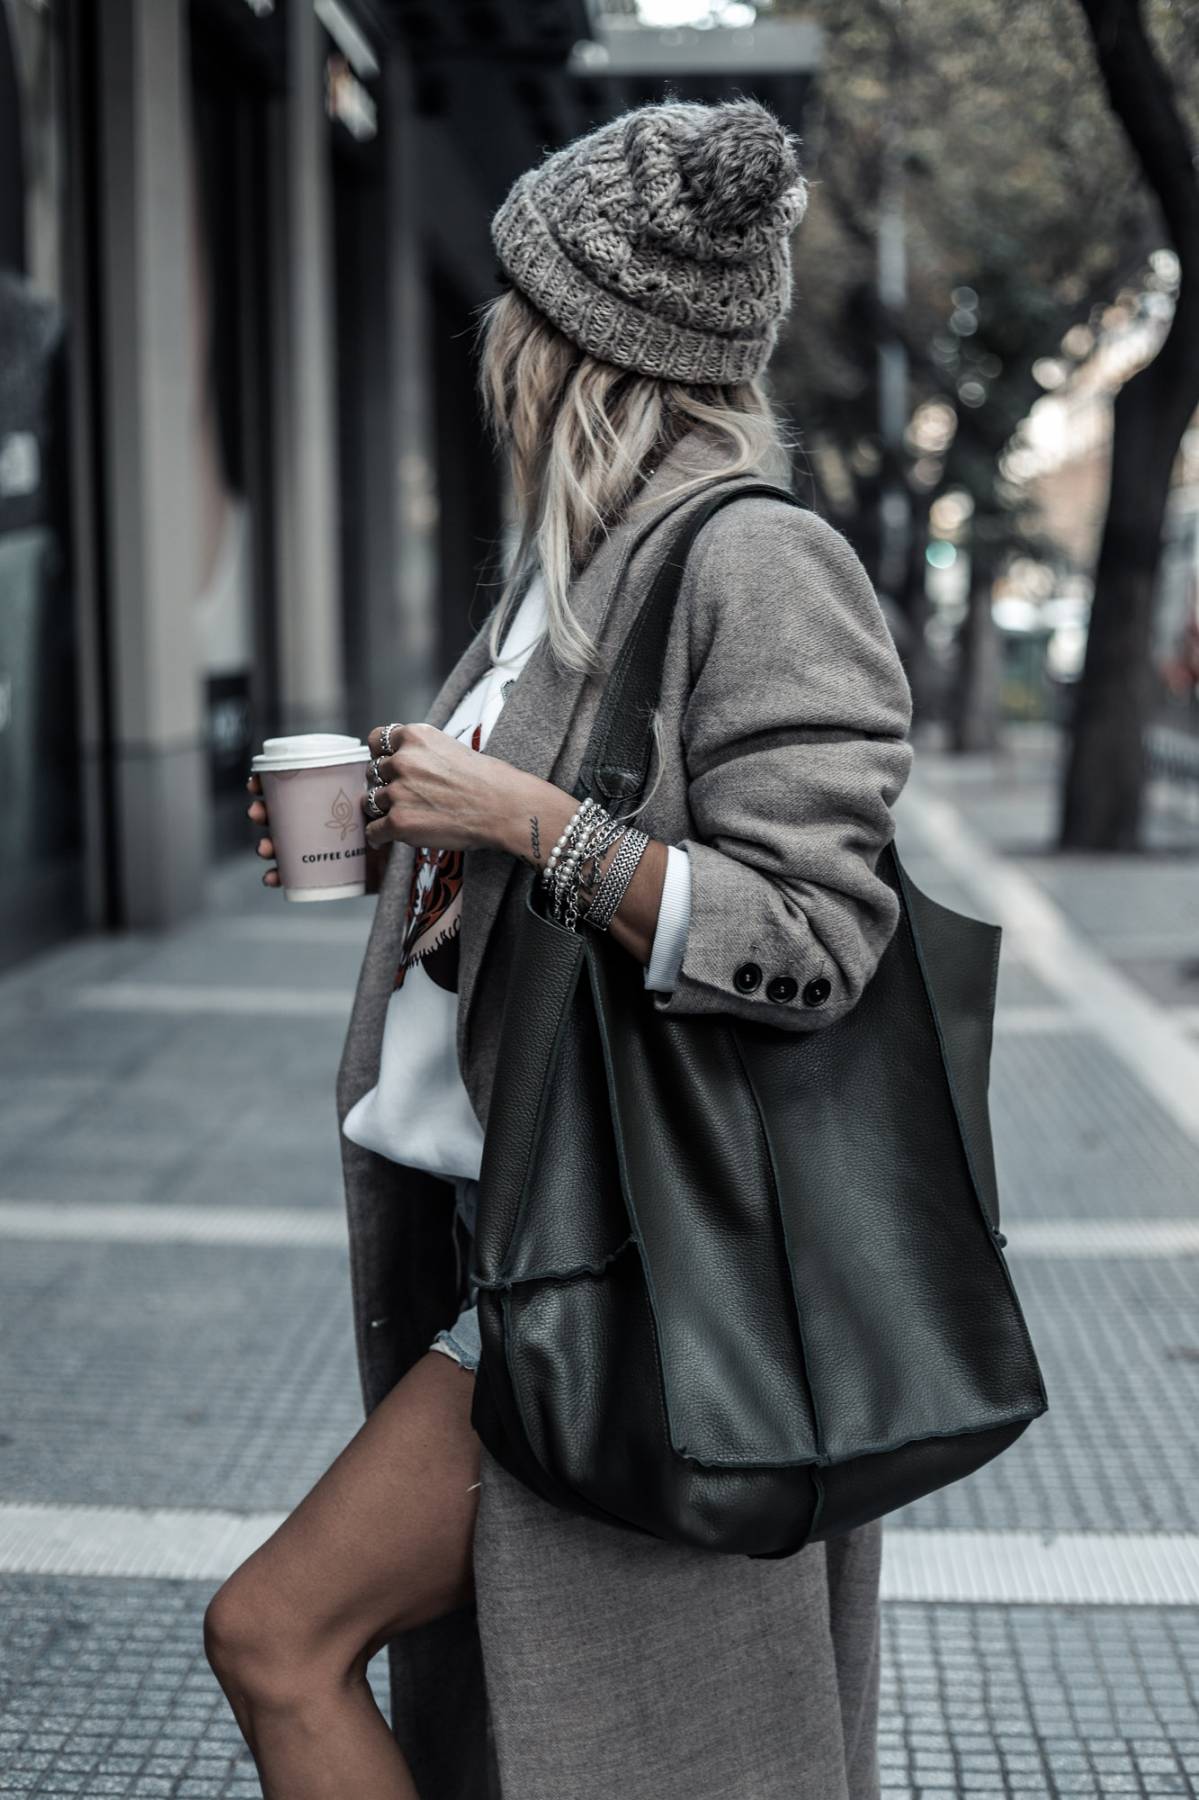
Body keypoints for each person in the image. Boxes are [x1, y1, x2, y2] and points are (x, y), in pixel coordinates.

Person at [207, 97, 913, 1800]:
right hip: (523, 1240)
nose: (492, 340)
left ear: (574, 342)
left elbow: (818, 938)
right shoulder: (569, 573)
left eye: (518, 305)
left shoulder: (759, 560)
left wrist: (524, 824)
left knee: (278, 1633)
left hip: (641, 1272)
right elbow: (556, 886)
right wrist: (425, 862)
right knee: (538, 1740)